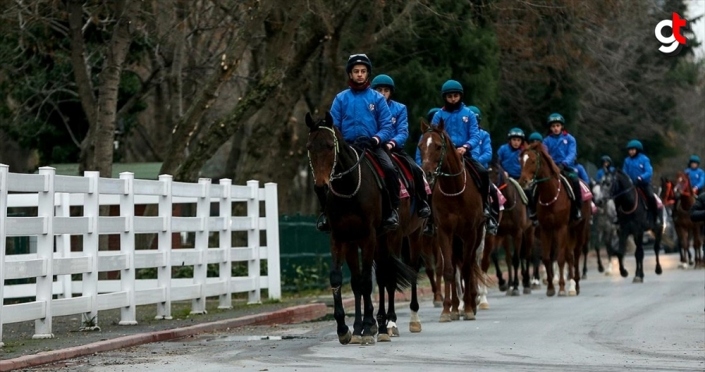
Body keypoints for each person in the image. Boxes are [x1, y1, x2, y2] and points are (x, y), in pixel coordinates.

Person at [315, 53, 398, 232]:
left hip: (372, 145)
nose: (359, 74)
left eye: (363, 71)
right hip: (346, 147)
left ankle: (391, 211)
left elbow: (386, 126)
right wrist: (341, 141)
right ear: (350, 74)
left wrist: (376, 138)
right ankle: (325, 214)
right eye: (356, 71)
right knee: (322, 173)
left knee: (390, 169)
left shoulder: (377, 98)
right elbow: (333, 125)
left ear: (368, 74)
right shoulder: (341, 98)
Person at [430, 80, 498, 234]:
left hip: (465, 154)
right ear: (444, 97)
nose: (453, 99)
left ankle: (487, 210)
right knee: (430, 181)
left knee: (482, 174)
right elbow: (433, 135)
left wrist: (465, 147)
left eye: (455, 96)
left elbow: (475, 135)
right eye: (449, 96)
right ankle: (429, 218)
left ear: (460, 96)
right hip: (444, 156)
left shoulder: (469, 114)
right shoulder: (438, 115)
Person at [371, 73, 431, 218]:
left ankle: (422, 202)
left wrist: (392, 143)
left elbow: (403, 131)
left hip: (394, 148)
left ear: (391, 92)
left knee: (417, 170)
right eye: (379, 90)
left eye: (386, 90)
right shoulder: (369, 108)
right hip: (373, 146)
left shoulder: (400, 108)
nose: (383, 93)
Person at [543, 112, 582, 221]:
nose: (555, 128)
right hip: (552, 168)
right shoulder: (546, 141)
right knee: (538, 184)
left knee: (575, 181)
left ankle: (577, 208)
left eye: (558, 125)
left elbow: (572, 153)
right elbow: (545, 155)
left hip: (566, 167)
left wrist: (564, 163)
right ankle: (534, 211)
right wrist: (552, 164)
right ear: (550, 128)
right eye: (553, 126)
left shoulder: (570, 139)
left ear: (562, 126)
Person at [622, 139, 660, 226]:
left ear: (637, 150)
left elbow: (649, 172)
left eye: (632, 150)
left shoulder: (644, 159)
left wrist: (641, 177)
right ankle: (620, 216)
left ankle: (654, 216)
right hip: (631, 185)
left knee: (650, 196)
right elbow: (624, 172)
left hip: (643, 184)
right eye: (629, 150)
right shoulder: (627, 160)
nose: (630, 152)